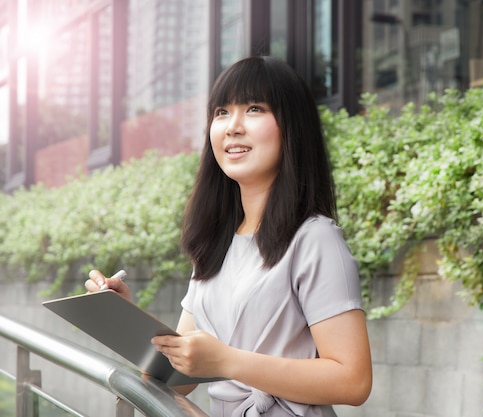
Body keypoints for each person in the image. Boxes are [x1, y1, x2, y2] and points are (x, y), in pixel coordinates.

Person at [86, 56, 372, 417]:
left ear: (292, 127)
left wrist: (229, 362)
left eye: (254, 108)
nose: (232, 127)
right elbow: (180, 376)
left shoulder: (315, 240)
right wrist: (122, 315)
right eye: (221, 112)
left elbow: (353, 380)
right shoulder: (216, 242)